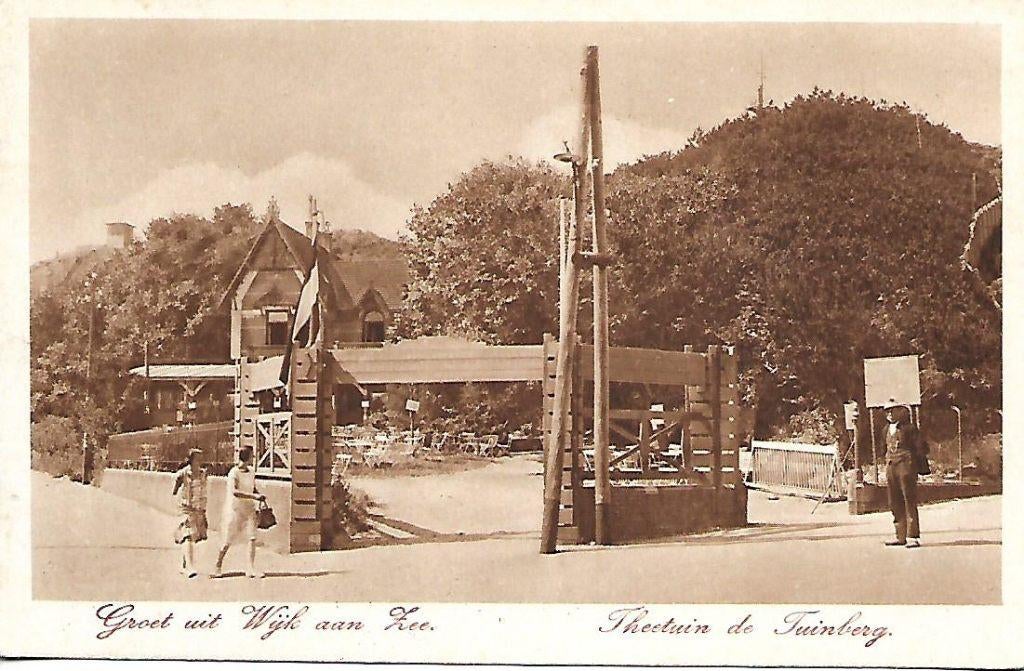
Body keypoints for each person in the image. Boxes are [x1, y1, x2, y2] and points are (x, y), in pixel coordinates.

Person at [212, 446, 266, 578]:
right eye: (252, 455)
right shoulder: (234, 473)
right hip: (235, 510)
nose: (253, 458)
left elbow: (253, 488)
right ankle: (217, 565)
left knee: (252, 538)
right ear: (247, 457)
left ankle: (250, 568)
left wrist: (259, 498)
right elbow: (234, 492)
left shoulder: (252, 471)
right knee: (227, 540)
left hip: (250, 508)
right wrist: (254, 497)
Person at [881, 400, 925, 548]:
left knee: (909, 500)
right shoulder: (885, 429)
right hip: (891, 466)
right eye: (887, 411)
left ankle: (912, 536)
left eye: (893, 410)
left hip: (906, 466)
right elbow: (884, 449)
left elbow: (920, 448)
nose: (890, 414)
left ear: (900, 411)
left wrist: (916, 466)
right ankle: (900, 535)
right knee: (894, 501)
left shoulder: (910, 428)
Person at [171, 448, 208, 579]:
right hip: (185, 508)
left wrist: (203, 510)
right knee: (188, 536)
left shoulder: (203, 473)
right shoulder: (183, 473)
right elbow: (174, 490)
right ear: (191, 460)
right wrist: (178, 484)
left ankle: (183, 566)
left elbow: (204, 492)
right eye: (198, 458)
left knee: (191, 537)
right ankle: (190, 567)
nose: (200, 461)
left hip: (198, 509)